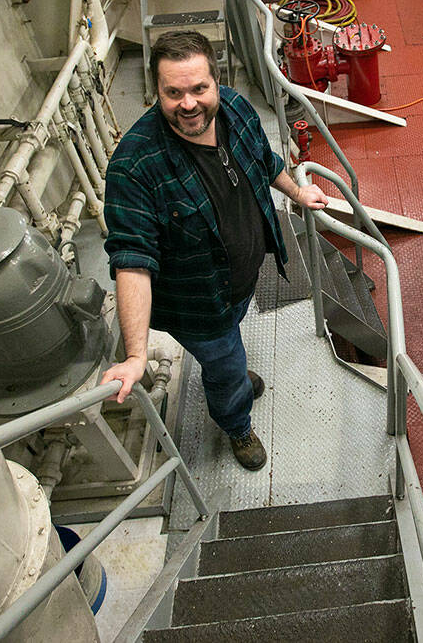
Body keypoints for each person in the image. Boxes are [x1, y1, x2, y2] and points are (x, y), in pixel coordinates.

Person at [100, 30, 328, 470]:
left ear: (216, 83)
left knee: (232, 354)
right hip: (200, 305)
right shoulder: (135, 166)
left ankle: (237, 374)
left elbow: (265, 161)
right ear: (156, 92)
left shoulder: (237, 109)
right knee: (223, 367)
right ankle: (236, 424)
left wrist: (297, 195)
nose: (188, 103)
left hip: (241, 278)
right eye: (174, 92)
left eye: (199, 89)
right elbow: (132, 259)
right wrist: (135, 354)